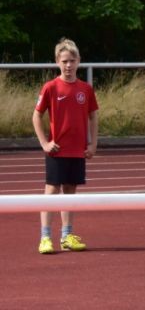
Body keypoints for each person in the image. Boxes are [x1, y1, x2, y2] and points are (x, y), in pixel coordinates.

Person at [31, 38, 99, 254]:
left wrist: (93, 143)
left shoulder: (85, 89)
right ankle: (45, 237)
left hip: (77, 150)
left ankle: (67, 235)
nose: (68, 65)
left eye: (72, 61)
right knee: (52, 190)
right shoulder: (50, 87)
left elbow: (93, 115)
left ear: (79, 61)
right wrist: (44, 143)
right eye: (64, 61)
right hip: (57, 150)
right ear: (57, 62)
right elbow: (36, 116)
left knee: (71, 191)